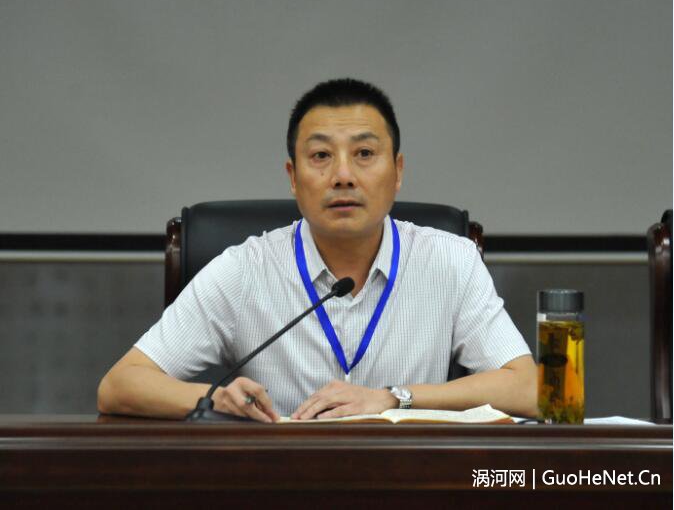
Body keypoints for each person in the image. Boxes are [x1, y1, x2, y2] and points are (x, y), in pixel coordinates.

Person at [97, 78, 537, 422]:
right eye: (321, 156)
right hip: (282, 483)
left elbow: (531, 390)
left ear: (398, 171)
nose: (343, 175)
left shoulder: (450, 261)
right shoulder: (244, 271)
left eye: (364, 153)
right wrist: (213, 398)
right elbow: (119, 386)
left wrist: (395, 398)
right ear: (293, 177)